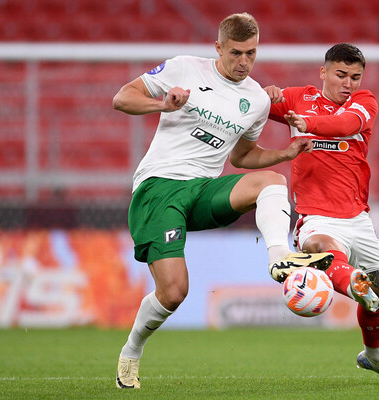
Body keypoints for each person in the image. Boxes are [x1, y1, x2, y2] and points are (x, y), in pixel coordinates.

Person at [112, 13, 333, 389]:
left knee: (271, 181)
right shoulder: (185, 67)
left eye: (251, 53)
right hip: (159, 189)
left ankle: (279, 256)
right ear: (218, 47)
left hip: (203, 189)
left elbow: (242, 157)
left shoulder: (256, 99)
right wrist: (163, 105)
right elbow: (122, 98)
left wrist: (283, 154)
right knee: (174, 292)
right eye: (236, 53)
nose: (244, 62)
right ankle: (131, 351)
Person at [264, 43, 379, 384]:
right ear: (323, 72)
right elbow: (249, 105)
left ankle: (375, 357)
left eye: (355, 77)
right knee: (321, 246)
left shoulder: (365, 102)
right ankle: (350, 281)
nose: (348, 83)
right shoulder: (298, 98)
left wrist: (308, 123)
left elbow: (345, 124)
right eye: (341, 75)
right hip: (315, 215)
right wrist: (264, 94)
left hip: (357, 218)